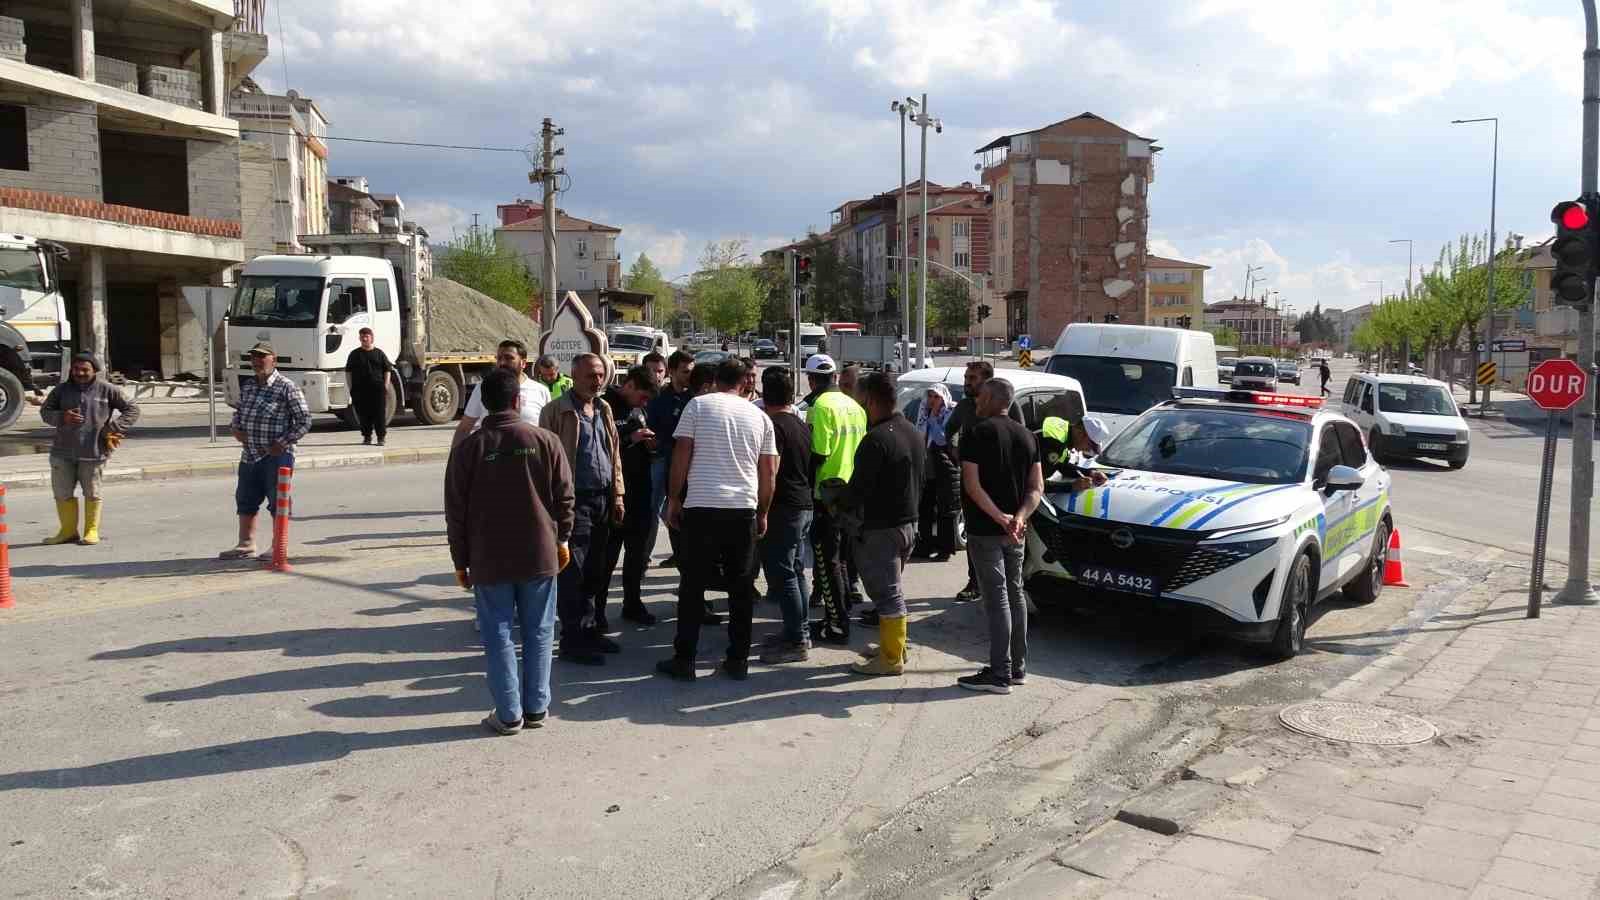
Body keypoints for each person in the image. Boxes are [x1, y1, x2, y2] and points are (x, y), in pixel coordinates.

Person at [445, 368, 575, 735]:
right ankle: (536, 707)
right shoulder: (545, 440)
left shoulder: (468, 449)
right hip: (540, 554)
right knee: (539, 631)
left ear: (484, 403)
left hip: (489, 558)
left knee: (498, 634)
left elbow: (455, 511)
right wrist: (563, 540)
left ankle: (508, 714)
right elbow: (566, 498)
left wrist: (460, 561)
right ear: (517, 400)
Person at [656, 358, 777, 682]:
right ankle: (738, 660)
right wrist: (763, 511)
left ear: (715, 380)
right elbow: (768, 472)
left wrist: (674, 499)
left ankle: (685, 659)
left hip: (702, 507)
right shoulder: (759, 417)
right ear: (743, 382)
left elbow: (682, 454)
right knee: (741, 587)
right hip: (742, 510)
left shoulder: (697, 406)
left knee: (692, 584)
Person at [957, 378, 1044, 695]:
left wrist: (999, 517)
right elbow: (1036, 488)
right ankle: (1017, 668)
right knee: (1015, 593)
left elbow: (972, 484)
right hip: (1015, 531)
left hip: (987, 530)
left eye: (981, 395)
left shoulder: (975, 433)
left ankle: (999, 673)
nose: (977, 400)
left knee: (997, 599)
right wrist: (1019, 517)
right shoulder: (1028, 436)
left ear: (995, 399)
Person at [539, 354, 626, 664]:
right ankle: (572, 640)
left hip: (603, 499)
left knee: (595, 570)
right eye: (591, 375)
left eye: (600, 375)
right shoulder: (555, 411)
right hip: (574, 502)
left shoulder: (603, 408)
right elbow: (544, 462)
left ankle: (589, 631)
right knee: (573, 572)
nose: (597, 380)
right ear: (574, 376)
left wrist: (618, 495)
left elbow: (614, 455)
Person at [844, 372, 924, 676]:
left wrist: (839, 502)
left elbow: (858, 490)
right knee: (893, 590)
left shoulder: (876, 439)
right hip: (908, 523)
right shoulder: (911, 431)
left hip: (882, 529)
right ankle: (895, 647)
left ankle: (891, 659)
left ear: (870, 400)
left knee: (887, 595)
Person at [221, 343, 311, 559]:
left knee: (278, 501)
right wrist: (235, 428)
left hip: (277, 456)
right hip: (250, 454)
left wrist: (282, 442)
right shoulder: (249, 386)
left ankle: (278, 546)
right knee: (245, 498)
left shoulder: (287, 387)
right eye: (254, 358)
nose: (257, 362)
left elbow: (304, 420)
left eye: (262, 357)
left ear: (274, 360)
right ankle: (245, 544)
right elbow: (239, 411)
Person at [40, 352, 140, 546]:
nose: (79, 373)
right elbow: (45, 412)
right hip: (62, 453)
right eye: (76, 369)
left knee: (92, 493)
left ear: (95, 370)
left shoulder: (108, 389)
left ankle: (91, 531)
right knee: (62, 493)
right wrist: (62, 417)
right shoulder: (61, 390)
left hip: (94, 452)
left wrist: (114, 428)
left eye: (84, 369)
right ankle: (68, 532)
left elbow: (132, 409)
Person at [945, 361, 1024, 602]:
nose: (967, 382)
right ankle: (975, 582)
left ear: (987, 382)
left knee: (1005, 532)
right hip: (973, 481)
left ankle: (1008, 584)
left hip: (1003, 482)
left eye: (972, 378)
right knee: (975, 532)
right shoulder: (965, 406)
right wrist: (957, 455)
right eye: (966, 377)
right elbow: (949, 431)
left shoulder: (1009, 406)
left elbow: (1020, 437)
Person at [803, 353, 866, 644]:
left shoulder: (819, 407)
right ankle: (840, 613)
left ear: (811, 380)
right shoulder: (855, 407)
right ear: (835, 377)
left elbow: (819, 453)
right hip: (852, 493)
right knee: (842, 559)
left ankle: (837, 623)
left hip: (825, 494)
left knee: (828, 562)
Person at [757, 366, 814, 664]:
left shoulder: (773, 426)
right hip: (803, 505)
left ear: (765, 394)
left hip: (785, 509)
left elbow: (771, 472)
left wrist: (762, 510)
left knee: (783, 575)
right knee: (796, 571)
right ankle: (799, 632)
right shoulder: (800, 424)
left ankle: (797, 641)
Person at [596, 366, 660, 626]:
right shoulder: (604, 406)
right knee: (606, 557)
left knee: (637, 555)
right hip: (614, 495)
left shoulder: (640, 410)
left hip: (641, 491)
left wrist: (650, 445)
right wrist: (630, 438)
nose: (644, 403)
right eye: (642, 397)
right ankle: (597, 612)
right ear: (630, 385)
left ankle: (632, 604)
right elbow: (599, 448)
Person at [646, 351, 696, 570]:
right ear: (672, 371)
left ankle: (682, 553)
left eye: (692, 371)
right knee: (653, 508)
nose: (689, 376)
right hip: (661, 459)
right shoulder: (659, 398)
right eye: (685, 372)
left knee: (682, 509)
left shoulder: (695, 398)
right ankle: (643, 557)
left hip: (688, 462)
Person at [454, 341, 550, 447]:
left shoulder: (540, 391)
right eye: (499, 358)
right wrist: (454, 455)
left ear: (523, 363)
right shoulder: (483, 387)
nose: (502, 363)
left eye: (509, 358)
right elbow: (464, 428)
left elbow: (548, 432)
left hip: (529, 455)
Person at [914, 383, 958, 563]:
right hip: (928, 467)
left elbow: (941, 439)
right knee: (925, 507)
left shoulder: (950, 412)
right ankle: (924, 546)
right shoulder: (923, 410)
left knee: (945, 510)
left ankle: (944, 549)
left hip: (945, 467)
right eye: (930, 396)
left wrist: (933, 418)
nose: (932, 400)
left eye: (937, 397)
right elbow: (919, 436)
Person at [343, 327, 392, 446]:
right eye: (362, 337)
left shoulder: (379, 353)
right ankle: (367, 437)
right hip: (360, 390)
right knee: (363, 414)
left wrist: (385, 385)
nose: (364, 339)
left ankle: (381, 438)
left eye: (367, 336)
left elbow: (387, 370)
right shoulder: (354, 354)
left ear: (372, 338)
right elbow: (348, 372)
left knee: (379, 414)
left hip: (377, 389)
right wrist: (351, 387)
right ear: (359, 338)